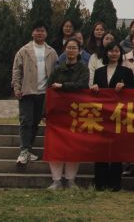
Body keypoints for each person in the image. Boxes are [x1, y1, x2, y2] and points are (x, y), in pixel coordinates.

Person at [45, 38, 90, 189]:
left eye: (74, 48)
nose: (71, 50)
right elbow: (49, 89)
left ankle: (70, 179)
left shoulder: (83, 69)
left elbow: (82, 85)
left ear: (79, 51)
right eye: (69, 48)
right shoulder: (58, 69)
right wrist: (46, 112)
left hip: (76, 112)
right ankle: (56, 179)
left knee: (74, 146)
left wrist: (63, 86)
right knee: (56, 145)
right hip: (58, 112)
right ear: (65, 50)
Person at [90, 41, 134, 191]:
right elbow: (95, 90)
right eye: (111, 51)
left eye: (116, 51)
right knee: (100, 148)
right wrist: (94, 88)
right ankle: (100, 182)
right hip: (102, 115)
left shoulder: (126, 72)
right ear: (106, 53)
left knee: (117, 149)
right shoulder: (99, 71)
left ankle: (115, 183)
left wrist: (124, 87)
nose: (114, 54)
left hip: (118, 114)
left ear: (120, 54)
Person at [12, 21, 57, 165]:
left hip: (44, 93)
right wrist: (17, 88)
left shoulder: (51, 52)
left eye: (42, 31)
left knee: (35, 122)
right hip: (27, 91)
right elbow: (17, 70)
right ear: (32, 33)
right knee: (26, 121)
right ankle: (24, 150)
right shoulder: (24, 50)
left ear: (46, 33)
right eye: (37, 30)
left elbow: (56, 72)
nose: (40, 33)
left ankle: (29, 148)